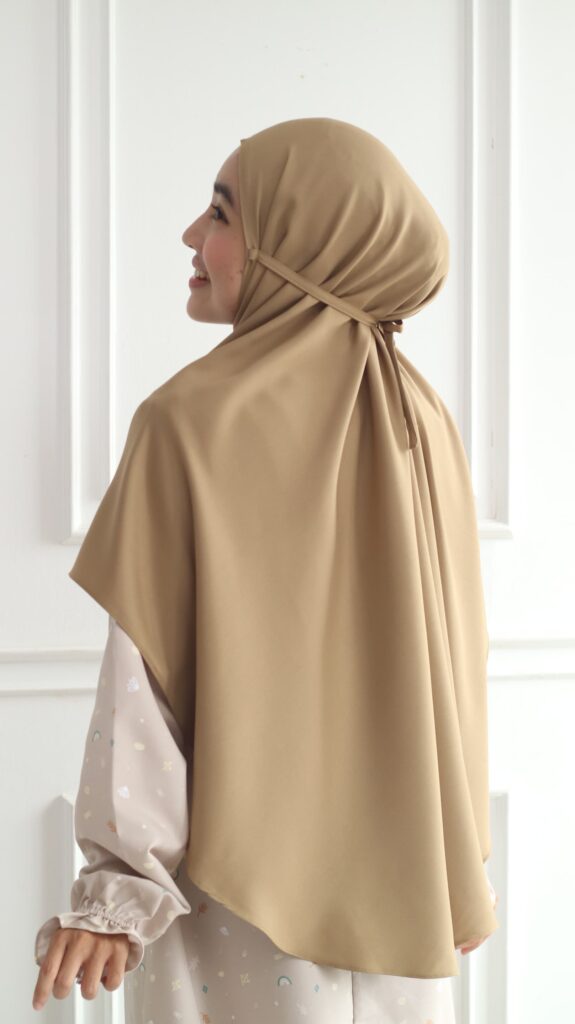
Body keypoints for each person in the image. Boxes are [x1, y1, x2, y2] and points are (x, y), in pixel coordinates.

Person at [33, 118, 499, 1021]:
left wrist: (121, 889)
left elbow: (144, 684)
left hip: (235, 899)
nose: (191, 235)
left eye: (220, 213)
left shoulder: (190, 419)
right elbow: (459, 664)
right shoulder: (423, 417)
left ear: (303, 237)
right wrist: (459, 852)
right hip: (405, 899)